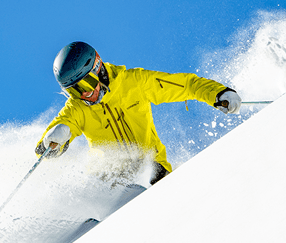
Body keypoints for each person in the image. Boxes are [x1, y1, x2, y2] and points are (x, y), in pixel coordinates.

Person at [35, 41, 241, 185]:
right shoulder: (76, 108)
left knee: (149, 168)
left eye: (85, 84)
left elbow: (185, 85)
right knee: (101, 181)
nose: (84, 94)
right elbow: (44, 149)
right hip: (110, 180)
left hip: (153, 171)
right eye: (73, 90)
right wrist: (51, 142)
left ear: (98, 68)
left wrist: (217, 93)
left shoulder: (134, 83)